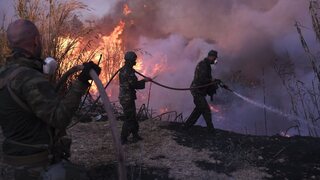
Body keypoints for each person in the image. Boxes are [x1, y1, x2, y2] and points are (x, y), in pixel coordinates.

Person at [0, 19, 101, 179]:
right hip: (34, 166)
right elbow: (60, 118)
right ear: (36, 40)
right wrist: (81, 82)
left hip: (9, 163)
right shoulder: (29, 78)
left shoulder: (4, 74)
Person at [119, 51, 151, 144]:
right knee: (129, 118)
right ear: (130, 61)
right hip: (126, 98)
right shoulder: (128, 71)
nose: (135, 61)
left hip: (127, 97)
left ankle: (135, 135)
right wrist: (144, 81)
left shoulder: (126, 69)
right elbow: (134, 84)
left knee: (133, 116)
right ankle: (123, 139)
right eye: (134, 60)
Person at [184, 50, 220, 134]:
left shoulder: (207, 65)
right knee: (206, 109)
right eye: (214, 58)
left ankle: (186, 127)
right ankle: (211, 130)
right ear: (211, 57)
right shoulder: (203, 65)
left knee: (199, 109)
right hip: (197, 90)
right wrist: (212, 81)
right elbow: (202, 79)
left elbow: (206, 79)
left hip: (199, 91)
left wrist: (213, 83)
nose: (215, 60)